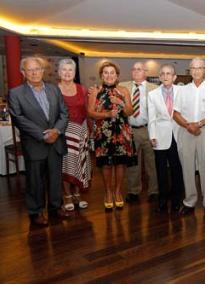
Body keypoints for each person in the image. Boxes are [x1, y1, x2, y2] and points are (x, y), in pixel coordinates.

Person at [8, 56, 68, 226]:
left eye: (37, 69)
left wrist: (56, 131)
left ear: (43, 71)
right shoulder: (16, 93)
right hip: (35, 143)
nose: (34, 73)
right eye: (30, 69)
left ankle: (55, 208)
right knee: (35, 180)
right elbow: (19, 119)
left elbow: (64, 113)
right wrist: (43, 135)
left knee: (55, 177)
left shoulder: (54, 90)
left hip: (55, 141)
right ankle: (35, 212)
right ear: (23, 72)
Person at [173, 57, 205, 217]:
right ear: (190, 70)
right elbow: (175, 113)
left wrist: (199, 124)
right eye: (193, 68)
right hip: (186, 131)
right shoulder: (182, 90)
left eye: (199, 68)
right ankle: (189, 201)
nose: (196, 71)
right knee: (187, 167)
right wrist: (189, 126)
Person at [87, 61, 136, 210]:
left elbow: (130, 112)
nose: (109, 75)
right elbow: (90, 113)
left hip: (122, 132)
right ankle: (108, 192)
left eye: (112, 73)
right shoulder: (95, 91)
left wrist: (120, 102)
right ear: (102, 75)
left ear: (117, 75)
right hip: (103, 132)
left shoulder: (123, 90)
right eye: (106, 73)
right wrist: (107, 114)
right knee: (106, 164)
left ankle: (118, 191)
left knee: (120, 163)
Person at [120, 62, 159, 203]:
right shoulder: (123, 87)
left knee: (152, 163)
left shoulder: (154, 88)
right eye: (134, 69)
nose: (136, 72)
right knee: (133, 163)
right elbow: (107, 89)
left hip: (149, 130)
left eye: (139, 69)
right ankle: (133, 191)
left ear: (145, 72)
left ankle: (154, 191)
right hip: (131, 131)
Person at [148, 64, 184, 213]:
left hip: (179, 136)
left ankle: (177, 200)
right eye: (162, 73)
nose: (165, 76)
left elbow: (199, 92)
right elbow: (152, 118)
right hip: (160, 137)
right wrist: (152, 136)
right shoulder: (152, 94)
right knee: (161, 171)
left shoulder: (183, 91)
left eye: (169, 73)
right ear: (160, 77)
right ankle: (162, 200)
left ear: (174, 77)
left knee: (177, 170)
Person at [57, 58, 91, 211]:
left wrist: (89, 131)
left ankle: (77, 193)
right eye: (64, 69)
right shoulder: (54, 89)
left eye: (70, 70)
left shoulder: (82, 89)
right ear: (58, 72)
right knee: (67, 163)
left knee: (80, 162)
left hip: (81, 130)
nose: (67, 72)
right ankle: (67, 195)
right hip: (64, 131)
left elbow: (87, 111)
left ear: (74, 73)